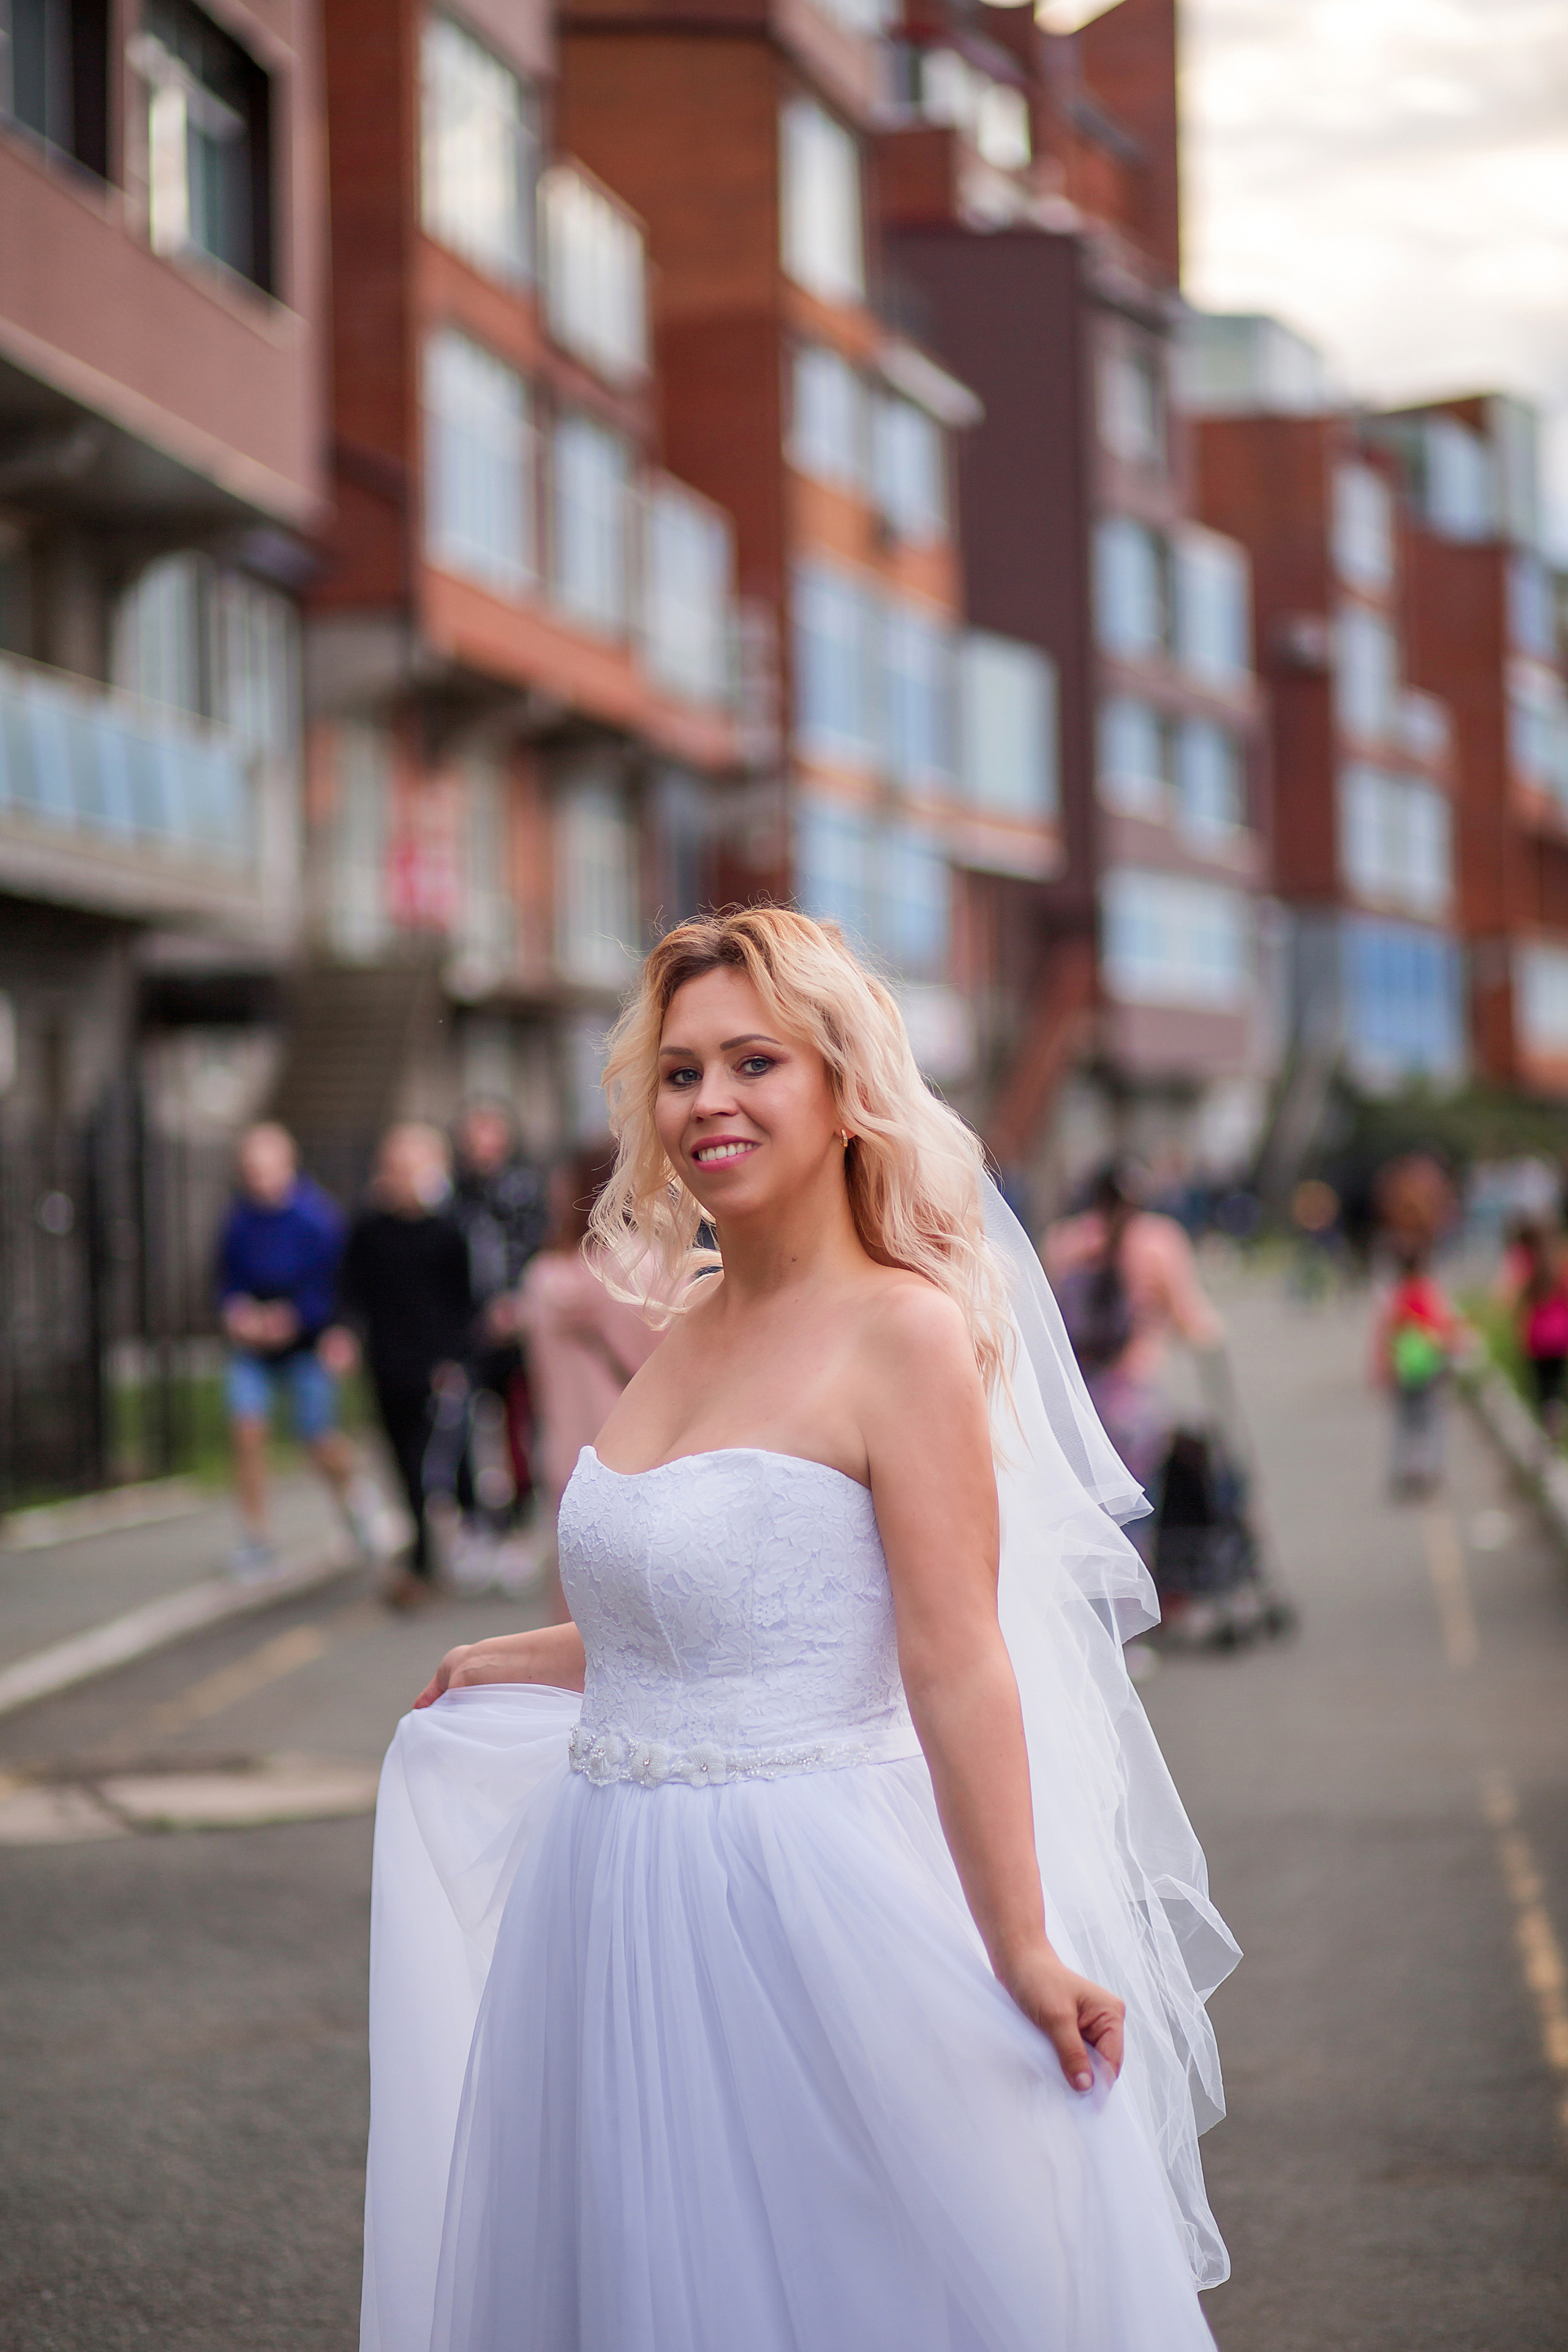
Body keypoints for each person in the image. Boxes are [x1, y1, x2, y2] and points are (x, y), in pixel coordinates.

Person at [361, 909, 1236, 2351]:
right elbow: (717, 1610)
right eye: (680, 1070)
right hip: (606, 1891)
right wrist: (512, 1657)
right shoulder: (689, 1316)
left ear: (842, 1084)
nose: (707, 1101)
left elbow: (952, 1653)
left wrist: (1018, 1941)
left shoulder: (903, 1333)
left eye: (752, 1061)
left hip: (796, 1898)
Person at [216, 1121, 385, 1580]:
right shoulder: (239, 1220)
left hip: (307, 1343)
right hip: (255, 1348)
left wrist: (296, 1318)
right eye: (251, 1170)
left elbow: (334, 1285)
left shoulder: (317, 1218)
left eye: (267, 1169)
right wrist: (238, 1312)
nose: (259, 1180)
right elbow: (226, 1279)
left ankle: (355, 1501)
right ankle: (256, 1537)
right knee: (246, 1429)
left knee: (318, 1438)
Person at [511, 1136, 665, 1616]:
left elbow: (536, 1372)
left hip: (568, 1456)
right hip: (649, 1454)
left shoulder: (541, 1281)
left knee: (579, 1610)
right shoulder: (654, 1268)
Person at [334, 1124, 475, 1607]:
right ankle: (424, 1553)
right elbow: (350, 1290)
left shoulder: (447, 1230)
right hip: (386, 1360)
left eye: (413, 1168)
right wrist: (343, 1335)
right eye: (396, 1168)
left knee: (431, 1460)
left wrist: (455, 1359)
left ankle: (425, 1559)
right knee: (400, 1461)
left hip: (435, 1365)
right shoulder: (369, 1229)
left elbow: (464, 1302)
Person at [1045, 1160, 1224, 1539]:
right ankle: (1136, 1588)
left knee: (1085, 1510)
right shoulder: (1159, 1240)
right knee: (1136, 1507)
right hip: (1133, 1392)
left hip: (1078, 1398)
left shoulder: (1065, 1240)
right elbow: (1193, 1321)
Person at [451, 1098, 551, 1531]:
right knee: (466, 1424)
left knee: (521, 1425)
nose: (483, 1146)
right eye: (475, 1136)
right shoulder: (453, 1196)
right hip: (467, 1326)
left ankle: (521, 1514)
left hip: (519, 1328)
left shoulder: (527, 1191)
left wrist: (518, 1305)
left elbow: (539, 1251)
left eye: (491, 1134)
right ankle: (475, 1517)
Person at [1375, 1241, 1464, 1498]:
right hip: (1429, 1368)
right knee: (1432, 1420)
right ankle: (1429, 1469)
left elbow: (1385, 1334)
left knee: (1404, 1423)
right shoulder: (1429, 1293)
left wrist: (1383, 1366)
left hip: (1404, 1368)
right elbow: (1444, 1328)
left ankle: (1403, 1469)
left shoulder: (1394, 1295)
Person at [1496, 1219, 1568, 1439]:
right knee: (1556, 1383)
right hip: (1560, 1336)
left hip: (1537, 1337)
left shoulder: (1528, 1263)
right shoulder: (1558, 1262)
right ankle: (1556, 1414)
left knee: (1541, 1385)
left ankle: (1546, 1422)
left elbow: (1511, 1300)